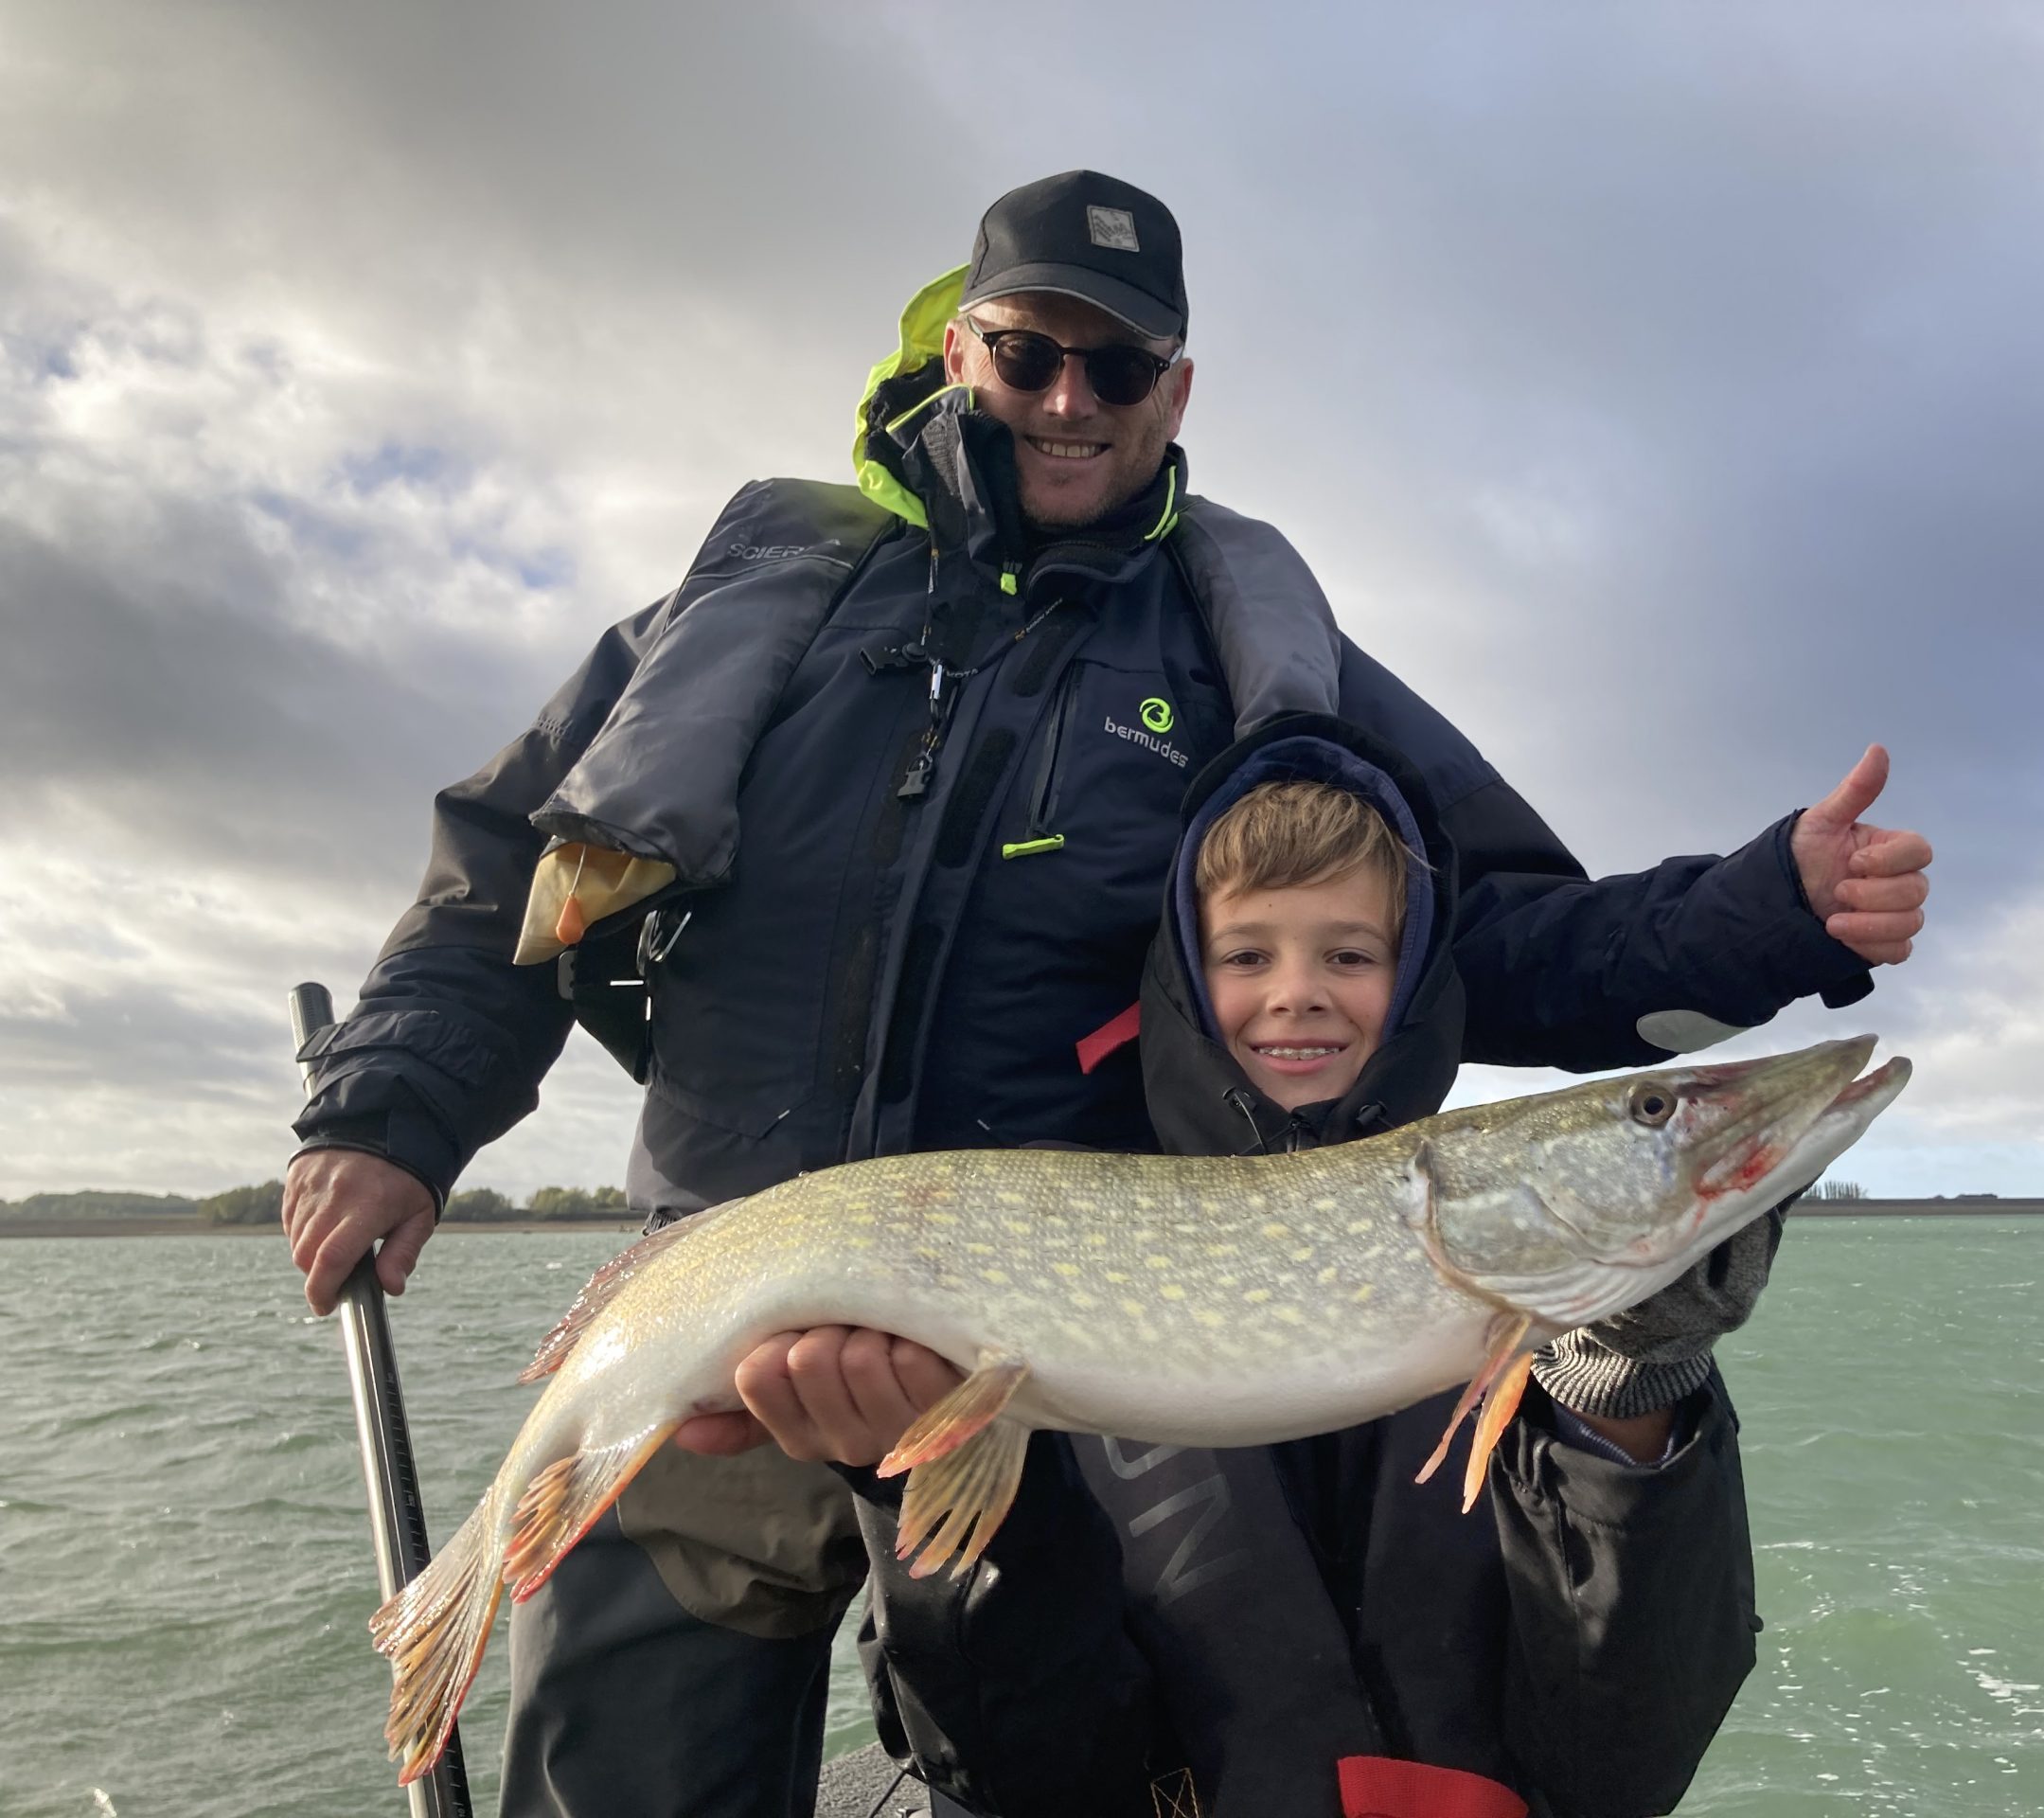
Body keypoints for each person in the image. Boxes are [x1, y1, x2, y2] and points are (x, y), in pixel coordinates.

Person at [281, 169, 1932, 1815]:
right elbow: (512, 856)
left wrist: (1757, 917)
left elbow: (1466, 925)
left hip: (1063, 1387)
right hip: (726, 1306)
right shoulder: (766, 606)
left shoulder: (1248, 652)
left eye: (1122, 367)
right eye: (1031, 354)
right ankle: (464, 1596)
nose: (1073, 400)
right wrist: (392, 1109)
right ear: (960, 352)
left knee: (1027, 1760)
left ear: (1179, 388)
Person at [819, 717, 1796, 1818]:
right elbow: (1023, 1772)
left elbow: (1623, 1766)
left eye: (1349, 954)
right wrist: (892, 1468)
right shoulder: (1047, 1249)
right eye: (1245, 955)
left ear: (1414, 974)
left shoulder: (1542, 1329)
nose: (1297, 993)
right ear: (1185, 979)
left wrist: (1634, 1395)